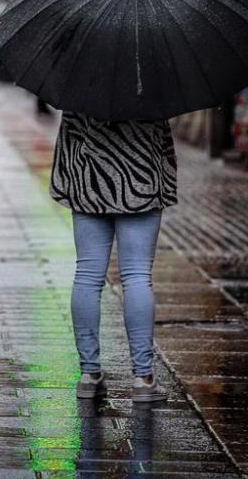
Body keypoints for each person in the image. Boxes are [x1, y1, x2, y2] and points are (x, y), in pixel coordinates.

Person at [50, 112, 176, 403]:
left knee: (87, 275)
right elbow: (162, 137)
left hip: (89, 179)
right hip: (140, 177)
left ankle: (89, 373)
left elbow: (67, 136)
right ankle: (143, 379)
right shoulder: (155, 71)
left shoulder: (76, 70)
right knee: (137, 275)